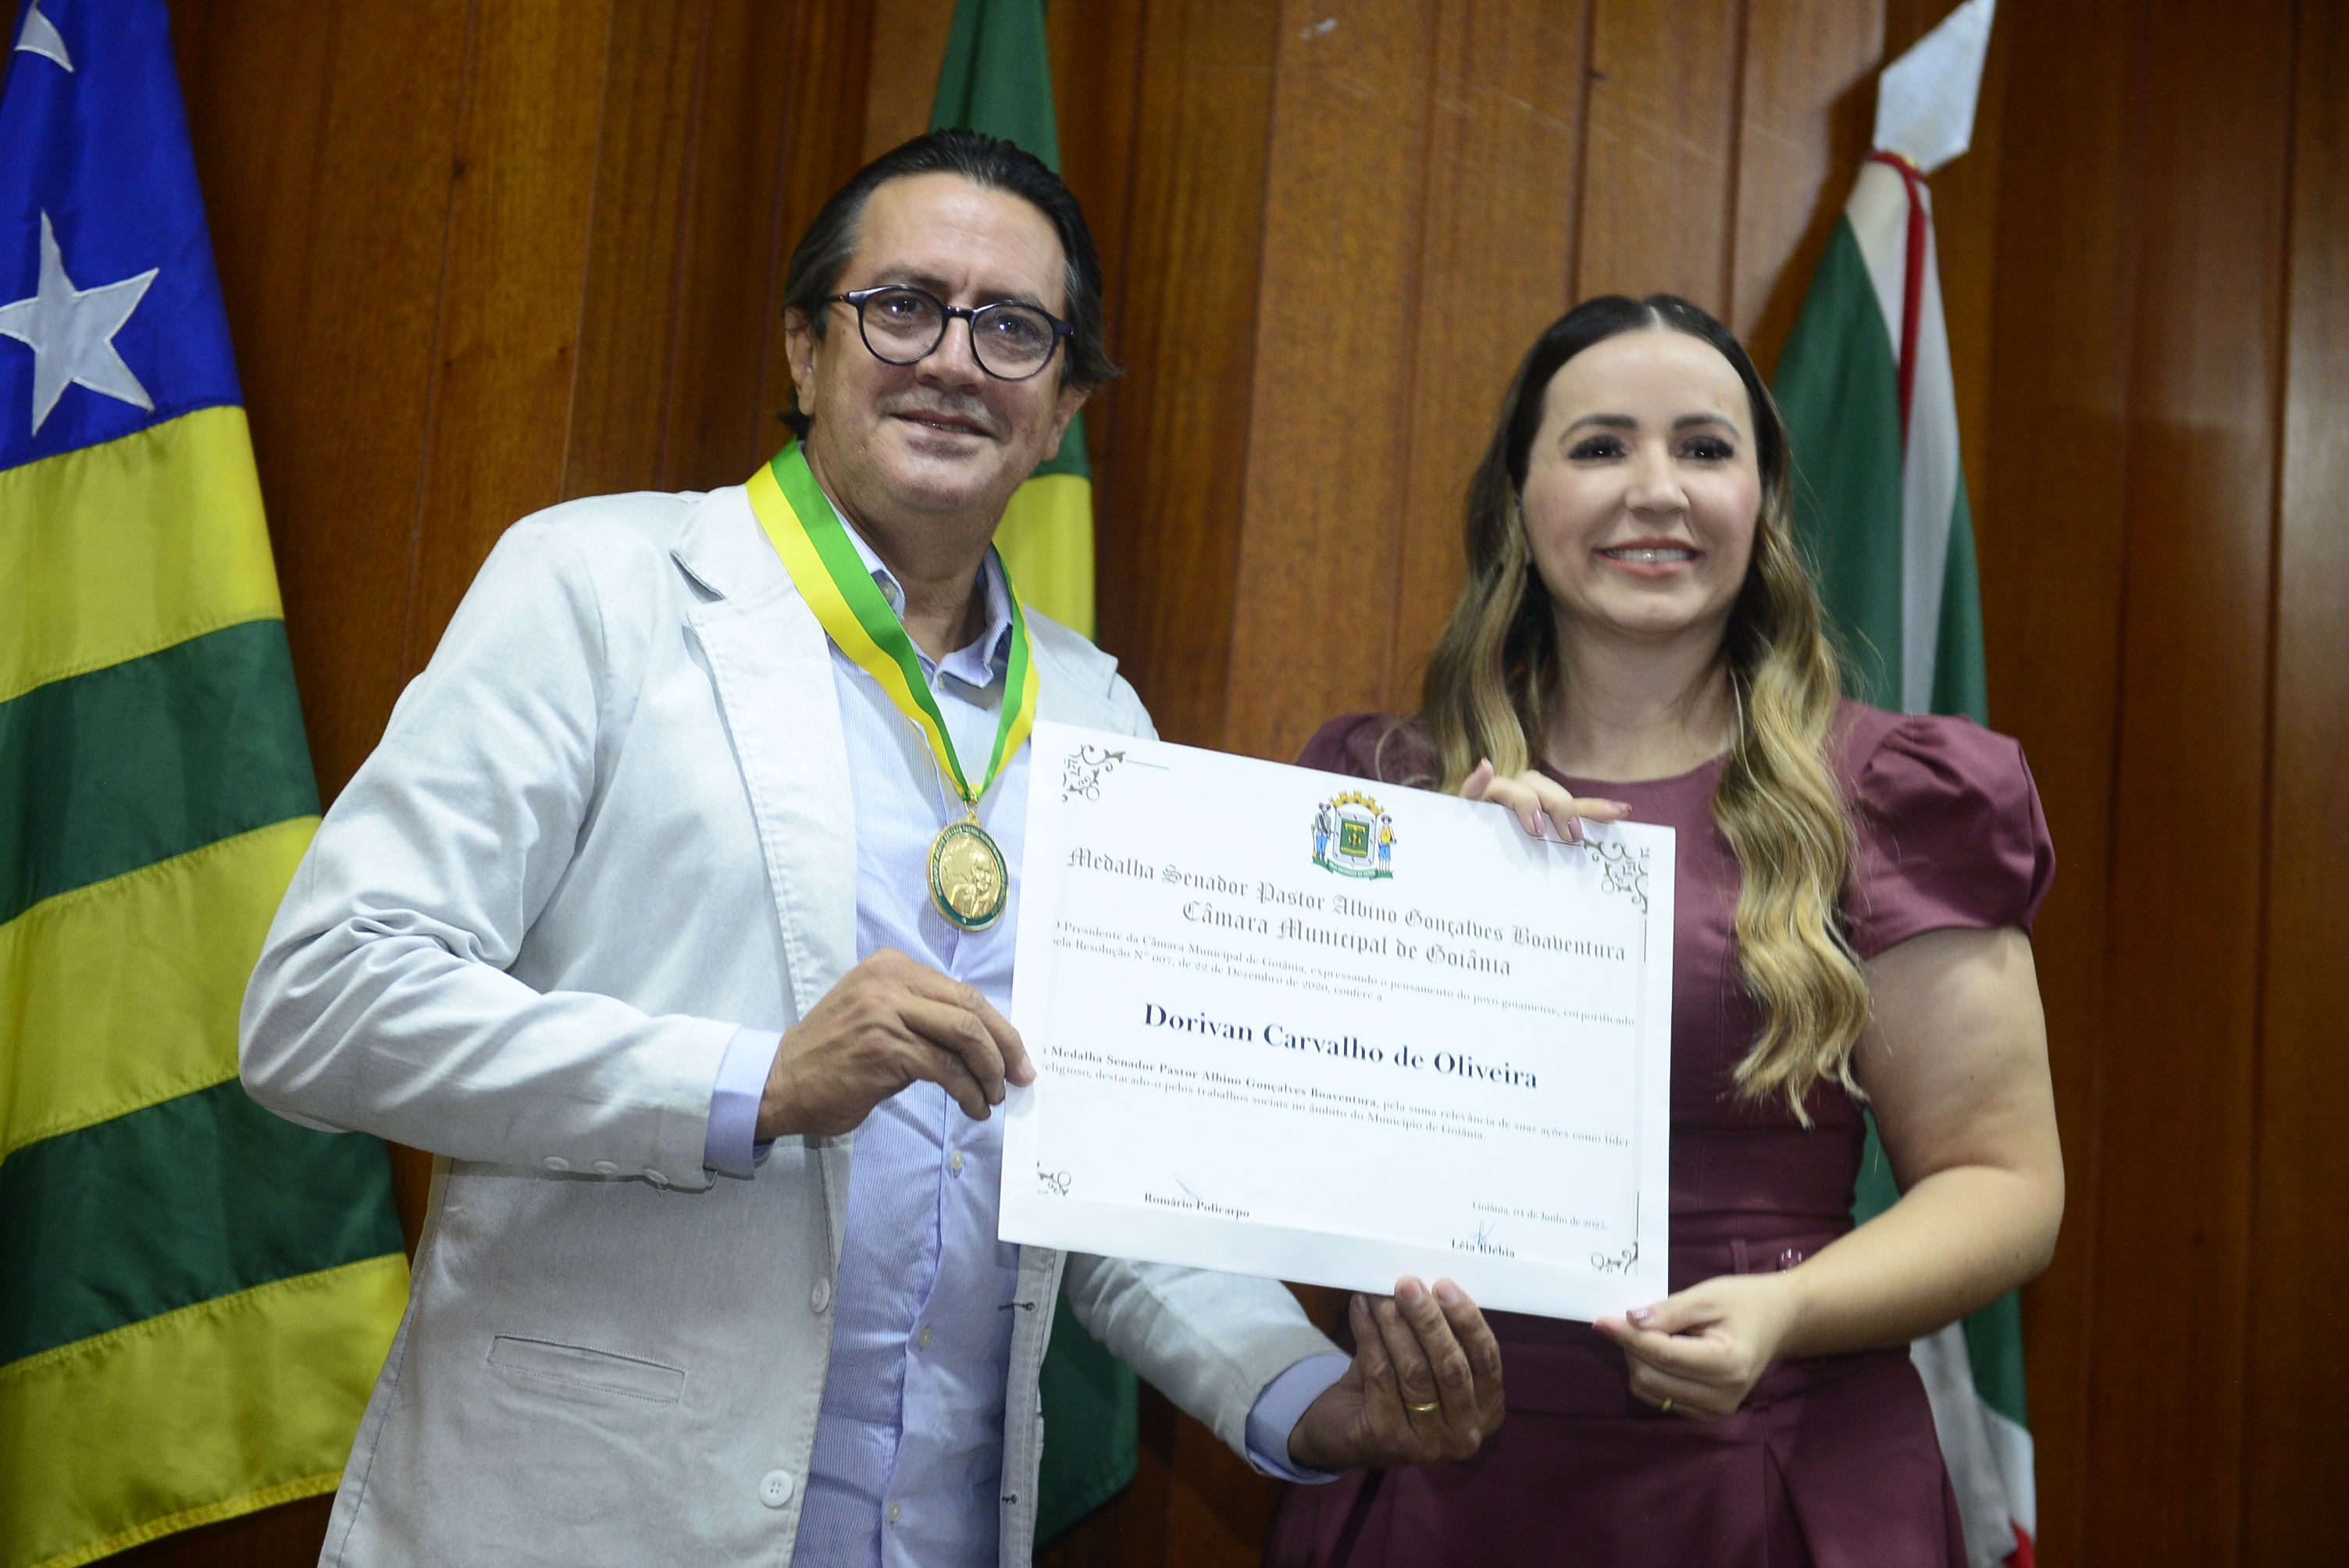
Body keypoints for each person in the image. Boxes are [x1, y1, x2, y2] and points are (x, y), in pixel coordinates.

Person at [239, 131, 1504, 1568]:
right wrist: (752, 1081)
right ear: (804, 349)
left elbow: (1103, 1178)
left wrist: (1314, 1400)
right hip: (581, 1518)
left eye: (1013, 329)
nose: (953, 360)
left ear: (1065, 405)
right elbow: (323, 1005)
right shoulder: (599, 585)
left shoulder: (1100, 717)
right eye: (902, 307)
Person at [1267, 294, 2063, 1567]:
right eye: (1600, 447)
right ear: (1517, 503)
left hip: (1777, 1462)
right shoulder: (1378, 799)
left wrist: (1788, 1309)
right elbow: (1270, 1139)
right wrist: (1445, 907)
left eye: (1704, 448)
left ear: (1763, 501)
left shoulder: (1892, 795)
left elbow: (2004, 1185)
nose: (1657, 490)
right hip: (1441, 1473)